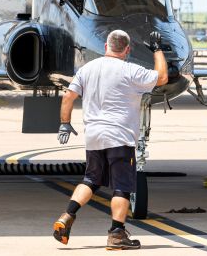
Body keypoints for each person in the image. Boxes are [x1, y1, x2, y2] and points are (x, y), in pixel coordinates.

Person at [52, 29, 168, 250]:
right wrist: (157, 49)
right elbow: (162, 77)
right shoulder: (130, 70)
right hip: (120, 138)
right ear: (127, 50)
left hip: (94, 137)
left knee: (91, 180)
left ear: (106, 47)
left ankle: (67, 216)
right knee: (122, 187)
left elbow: (68, 96)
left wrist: (65, 123)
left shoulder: (87, 69)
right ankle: (117, 233)